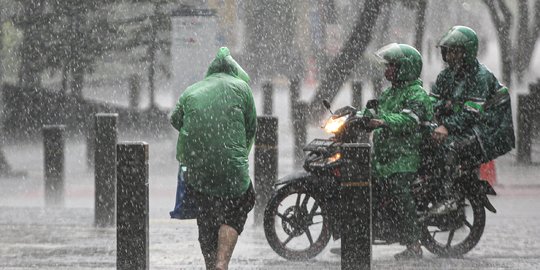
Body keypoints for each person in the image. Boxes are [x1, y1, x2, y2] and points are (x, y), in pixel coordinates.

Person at [170, 47, 257, 270]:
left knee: (206, 215)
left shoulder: (192, 91)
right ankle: (221, 263)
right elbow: (251, 128)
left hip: (199, 170)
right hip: (232, 171)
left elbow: (175, 120)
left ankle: (210, 264)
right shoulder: (242, 89)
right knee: (243, 200)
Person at [428, 25, 515, 215]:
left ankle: (449, 196)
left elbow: (471, 114)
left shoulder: (480, 77)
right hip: (468, 125)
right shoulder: (446, 75)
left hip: (487, 129)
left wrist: (446, 126)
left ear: (465, 52)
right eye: (447, 52)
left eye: (454, 52)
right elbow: (431, 102)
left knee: (450, 146)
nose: (449, 56)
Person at [365, 43, 433, 260]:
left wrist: (382, 121)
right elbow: (379, 111)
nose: (386, 71)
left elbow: (408, 120)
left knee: (398, 190)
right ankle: (361, 236)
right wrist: (362, 114)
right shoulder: (390, 92)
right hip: (385, 157)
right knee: (365, 188)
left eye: (391, 66)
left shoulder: (417, 95)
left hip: (405, 157)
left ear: (405, 68)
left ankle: (414, 244)